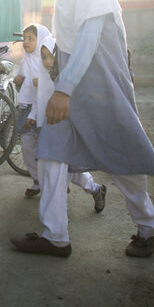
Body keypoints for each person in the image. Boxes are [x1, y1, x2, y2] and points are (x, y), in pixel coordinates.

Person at [11, 0, 154, 259]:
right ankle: (55, 236)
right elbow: (67, 44)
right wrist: (60, 82)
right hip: (70, 82)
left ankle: (149, 226)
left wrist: (64, 89)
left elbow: (89, 39)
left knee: (120, 157)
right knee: (51, 152)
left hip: (98, 85)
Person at [28, 37, 107, 213]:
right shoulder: (45, 76)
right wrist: (34, 115)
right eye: (44, 57)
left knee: (67, 169)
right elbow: (38, 99)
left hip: (65, 130)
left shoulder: (68, 80)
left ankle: (57, 225)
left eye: (52, 56)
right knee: (64, 170)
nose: (48, 62)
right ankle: (94, 190)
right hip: (48, 129)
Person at [12, 23, 52, 197]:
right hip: (27, 107)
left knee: (48, 152)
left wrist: (41, 83)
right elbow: (23, 86)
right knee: (27, 148)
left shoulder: (48, 61)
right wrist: (19, 82)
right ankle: (38, 180)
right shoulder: (24, 61)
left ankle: (54, 183)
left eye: (31, 39)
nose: (26, 42)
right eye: (24, 39)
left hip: (45, 110)